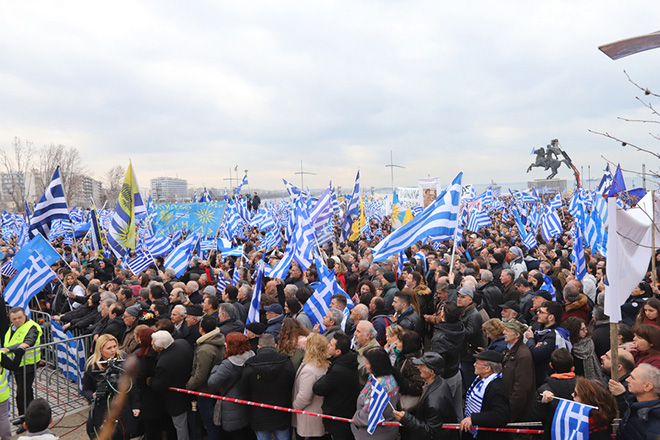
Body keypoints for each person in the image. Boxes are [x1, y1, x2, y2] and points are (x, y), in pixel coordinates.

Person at [82, 334, 138, 440]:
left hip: (123, 408)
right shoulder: (92, 365)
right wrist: (92, 395)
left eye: (114, 346)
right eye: (109, 348)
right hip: (102, 409)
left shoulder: (123, 358)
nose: (113, 350)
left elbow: (132, 384)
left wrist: (136, 405)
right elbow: (86, 389)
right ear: (100, 349)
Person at [392, 352, 459, 440]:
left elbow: (430, 432)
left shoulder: (433, 402)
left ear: (431, 372)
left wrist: (406, 419)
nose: (418, 367)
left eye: (422, 366)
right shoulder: (440, 382)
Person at [243, 333, 295, 440]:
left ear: (258, 347)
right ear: (275, 345)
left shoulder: (250, 365)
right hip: (282, 411)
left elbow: (244, 389)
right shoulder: (286, 362)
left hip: (258, 413)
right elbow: (292, 383)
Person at [207, 332, 256, 440]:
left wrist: (216, 367)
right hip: (248, 402)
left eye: (227, 343)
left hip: (232, 406)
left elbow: (212, 382)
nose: (224, 344)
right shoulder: (252, 356)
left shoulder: (227, 365)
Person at [313, 332, 361, 440]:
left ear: (338, 351)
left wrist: (324, 375)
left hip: (338, 416)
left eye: (331, 345)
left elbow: (318, 388)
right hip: (346, 410)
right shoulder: (349, 360)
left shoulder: (338, 370)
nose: (328, 346)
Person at [148, 331, 194, 440]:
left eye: (153, 344)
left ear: (160, 347)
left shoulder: (164, 363)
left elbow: (159, 385)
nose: (151, 345)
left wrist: (150, 381)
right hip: (187, 389)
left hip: (176, 399)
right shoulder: (182, 343)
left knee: (180, 425)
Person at [186, 316, 225, 440]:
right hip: (214, 388)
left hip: (205, 391)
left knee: (210, 424)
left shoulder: (205, 349)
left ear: (201, 329)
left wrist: (188, 386)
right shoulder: (218, 340)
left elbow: (200, 375)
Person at [351, 347, 400, 440]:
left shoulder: (383, 385)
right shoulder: (382, 376)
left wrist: (356, 418)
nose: (364, 365)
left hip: (375, 434)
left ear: (377, 365)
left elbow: (370, 414)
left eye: (367, 363)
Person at [459, 350, 510, 439]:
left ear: (487, 368)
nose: (474, 364)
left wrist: (473, 419)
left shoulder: (496, 388)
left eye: (478, 363)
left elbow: (500, 416)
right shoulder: (480, 381)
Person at [5, 307, 42, 418]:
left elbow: (29, 340)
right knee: (23, 393)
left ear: (25, 316)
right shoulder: (13, 327)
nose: (17, 321)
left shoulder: (32, 327)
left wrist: (8, 349)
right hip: (17, 364)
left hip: (28, 364)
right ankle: (23, 417)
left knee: (23, 393)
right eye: (14, 319)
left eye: (20, 318)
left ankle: (27, 418)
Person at [292, 333, 330, 440]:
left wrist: (295, 406)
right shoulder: (325, 364)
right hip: (317, 415)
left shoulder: (310, 370)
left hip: (308, 418)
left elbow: (304, 397)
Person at [611, 363, 660, 439]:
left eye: (632, 378)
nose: (627, 380)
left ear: (647, 386)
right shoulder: (634, 405)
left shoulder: (654, 424)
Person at [501, 320, 536, 422]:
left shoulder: (523, 355)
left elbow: (521, 388)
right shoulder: (509, 349)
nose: (503, 333)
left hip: (516, 413)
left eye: (507, 330)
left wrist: (511, 413)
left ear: (517, 335)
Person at [393, 331, 424, 412]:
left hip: (410, 407)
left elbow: (417, 387)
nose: (396, 343)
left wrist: (399, 378)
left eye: (399, 341)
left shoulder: (412, 363)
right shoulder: (402, 357)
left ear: (407, 345)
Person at [0, 345, 24, 439]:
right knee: (3, 418)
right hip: (1, 394)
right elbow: (14, 366)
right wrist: (19, 353)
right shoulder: (0, 355)